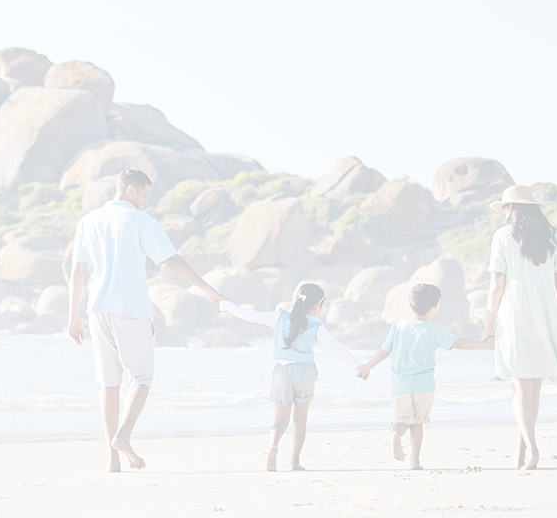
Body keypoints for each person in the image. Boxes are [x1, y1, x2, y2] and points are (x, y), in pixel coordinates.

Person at [67, 169, 228, 472]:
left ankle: (112, 459)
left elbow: (77, 271)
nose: (146, 200)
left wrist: (72, 316)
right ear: (129, 189)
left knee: (109, 385)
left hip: (96, 309)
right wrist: (209, 290)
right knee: (141, 378)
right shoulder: (141, 221)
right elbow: (172, 260)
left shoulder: (87, 222)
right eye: (144, 194)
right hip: (131, 309)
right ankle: (123, 436)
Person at [481, 185, 557, 471]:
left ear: (513, 209)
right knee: (533, 387)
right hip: (546, 314)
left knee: (520, 386)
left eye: (506, 208)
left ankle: (533, 449)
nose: (505, 214)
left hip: (516, 313)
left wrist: (489, 323)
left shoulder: (503, 237)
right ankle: (520, 449)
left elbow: (497, 284)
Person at [219, 284, 360, 472]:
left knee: (279, 421)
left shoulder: (280, 317)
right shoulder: (316, 326)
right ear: (317, 306)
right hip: (304, 373)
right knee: (300, 420)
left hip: (282, 373)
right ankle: (295, 462)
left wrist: (225, 306)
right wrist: (357, 367)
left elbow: (249, 315)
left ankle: (273, 447)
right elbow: (337, 348)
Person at [357, 284, 492, 470]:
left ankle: (396, 436)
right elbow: (458, 343)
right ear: (433, 309)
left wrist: (367, 367)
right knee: (418, 423)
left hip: (401, 386)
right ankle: (415, 461)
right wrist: (485, 346)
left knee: (401, 420)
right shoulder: (433, 330)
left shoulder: (398, 327)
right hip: (425, 386)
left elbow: (383, 352)